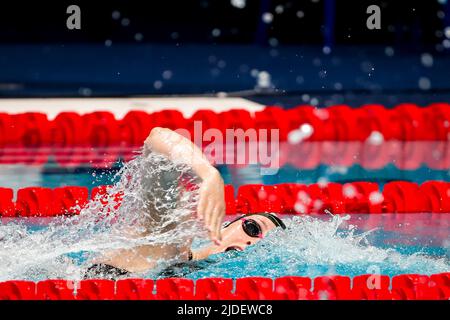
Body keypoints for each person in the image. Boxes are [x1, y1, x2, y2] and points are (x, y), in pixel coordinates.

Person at [83, 127, 285, 279]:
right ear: (225, 225)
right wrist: (209, 174)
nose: (253, 243)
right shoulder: (170, 244)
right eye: (252, 228)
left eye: (264, 247)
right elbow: (157, 140)